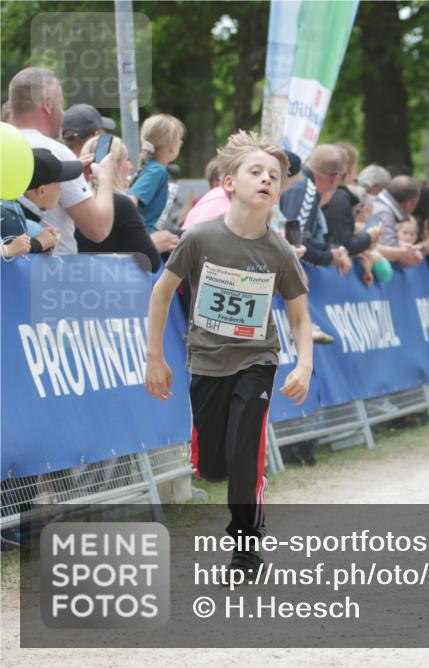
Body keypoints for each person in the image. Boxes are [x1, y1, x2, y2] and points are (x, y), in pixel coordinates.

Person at [144, 131, 313, 578]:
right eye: (254, 171)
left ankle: (245, 545)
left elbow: (299, 317)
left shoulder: (278, 251)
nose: (265, 179)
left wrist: (305, 364)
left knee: (245, 451)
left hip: (257, 361)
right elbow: (161, 294)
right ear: (229, 183)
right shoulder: (199, 238)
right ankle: (234, 500)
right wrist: (154, 357)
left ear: (279, 192)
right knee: (214, 465)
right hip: (206, 362)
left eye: (273, 176)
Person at [7, 67, 115, 254]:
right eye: (61, 104)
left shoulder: (5, 145)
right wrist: (105, 178)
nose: (63, 112)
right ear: (47, 104)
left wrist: (71, 170)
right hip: (51, 274)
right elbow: (99, 229)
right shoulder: (56, 151)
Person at [75, 135, 162, 272]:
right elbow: (152, 263)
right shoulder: (121, 204)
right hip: (115, 289)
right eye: (126, 159)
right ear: (112, 166)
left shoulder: (73, 203)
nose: (131, 166)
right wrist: (155, 243)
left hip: (71, 285)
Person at [278, 144, 353, 274]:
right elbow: (294, 240)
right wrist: (328, 257)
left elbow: (299, 236)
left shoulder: (303, 184)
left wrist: (332, 249)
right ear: (335, 178)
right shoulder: (306, 189)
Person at [1, 148, 78, 257]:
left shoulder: (9, 209)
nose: (61, 188)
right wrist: (37, 244)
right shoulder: (16, 220)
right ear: (42, 191)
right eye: (59, 183)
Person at [129, 114, 185, 234]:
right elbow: (130, 202)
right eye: (179, 140)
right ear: (172, 147)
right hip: (146, 237)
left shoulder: (150, 167)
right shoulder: (157, 171)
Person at [371, 175, 424, 267]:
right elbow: (389, 247)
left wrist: (402, 245)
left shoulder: (379, 204)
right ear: (408, 204)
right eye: (415, 203)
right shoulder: (384, 212)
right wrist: (406, 253)